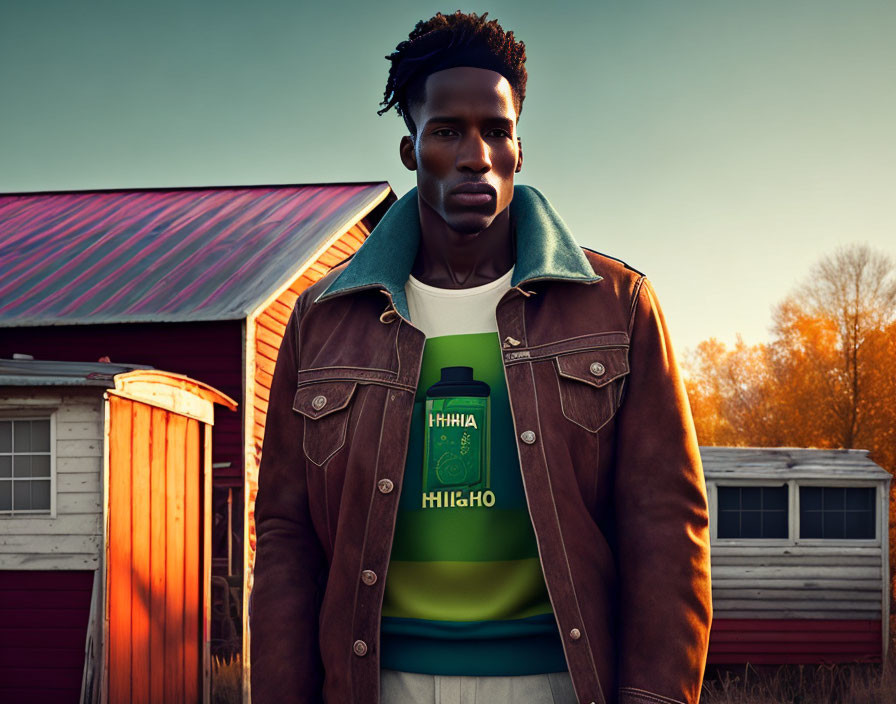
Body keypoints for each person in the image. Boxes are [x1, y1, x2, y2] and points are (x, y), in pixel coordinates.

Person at [251, 11, 711, 704]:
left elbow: (666, 528)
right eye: (446, 132)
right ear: (410, 151)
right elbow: (287, 538)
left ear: (520, 151)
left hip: (559, 682)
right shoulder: (323, 320)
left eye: (496, 131)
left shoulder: (617, 307)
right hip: (379, 683)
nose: (475, 154)